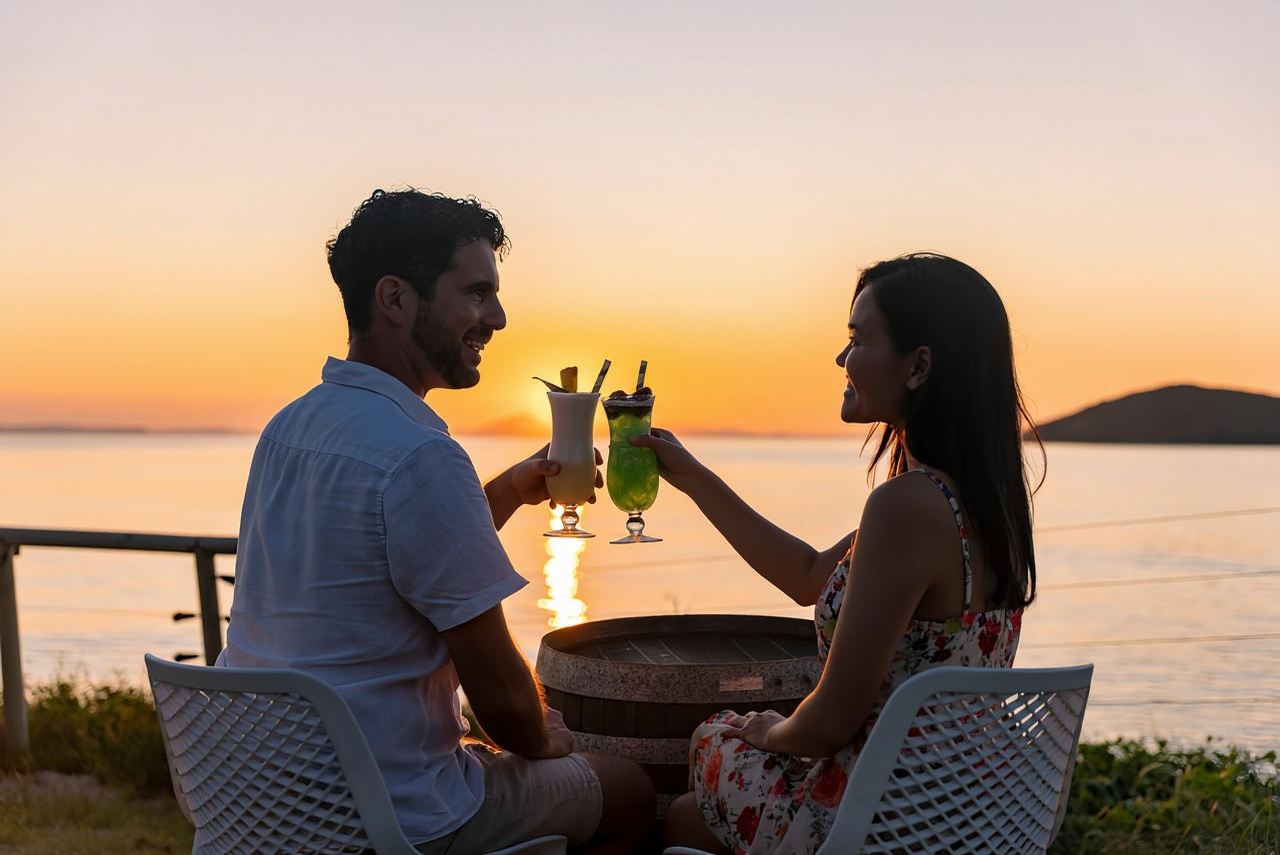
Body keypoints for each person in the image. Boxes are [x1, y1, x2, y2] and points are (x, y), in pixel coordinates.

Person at [220, 189, 654, 853]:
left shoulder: (289, 429)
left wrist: (509, 489)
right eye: (477, 292)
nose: (499, 317)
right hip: (391, 812)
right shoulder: (420, 453)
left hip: (265, 800)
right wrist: (549, 739)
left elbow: (390, 550)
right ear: (395, 299)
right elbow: (509, 706)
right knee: (628, 789)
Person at [644, 253, 1040, 854]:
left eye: (857, 338)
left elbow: (830, 720)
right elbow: (807, 576)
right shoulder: (986, 504)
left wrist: (770, 729)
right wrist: (694, 477)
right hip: (963, 812)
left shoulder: (905, 506)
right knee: (685, 820)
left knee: (716, 735)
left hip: (879, 819)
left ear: (919, 366)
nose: (841, 358)